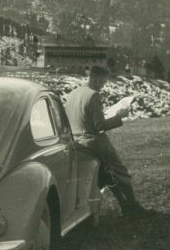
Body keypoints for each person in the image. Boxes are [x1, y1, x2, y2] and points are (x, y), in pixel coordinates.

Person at [64, 65, 153, 217]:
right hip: (92, 142)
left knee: (107, 173)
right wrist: (120, 116)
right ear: (97, 79)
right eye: (103, 83)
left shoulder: (73, 93)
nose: (103, 86)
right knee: (120, 171)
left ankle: (126, 206)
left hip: (76, 143)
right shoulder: (93, 95)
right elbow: (100, 126)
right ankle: (132, 206)